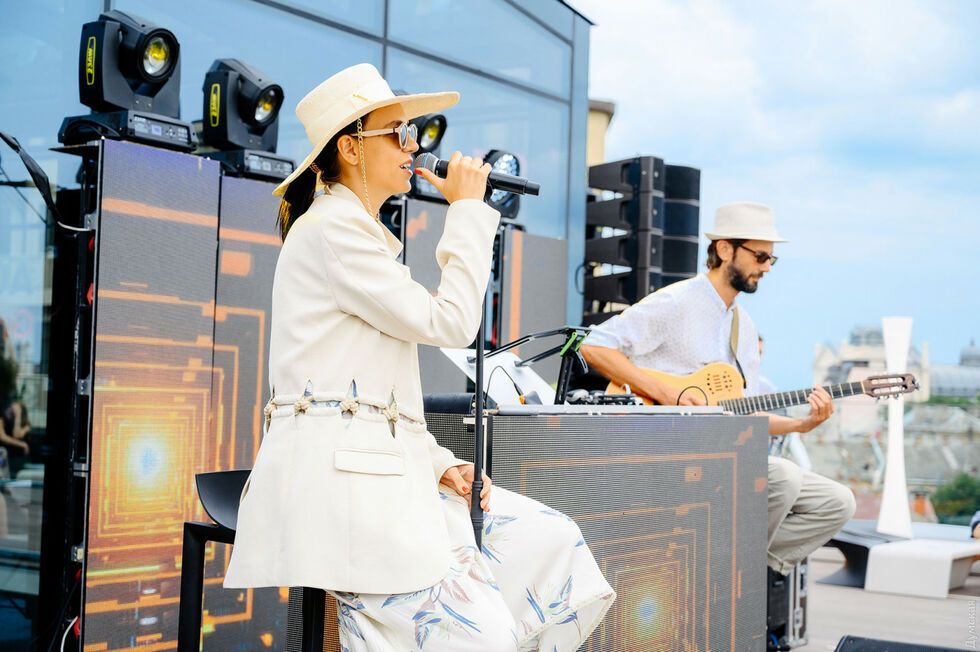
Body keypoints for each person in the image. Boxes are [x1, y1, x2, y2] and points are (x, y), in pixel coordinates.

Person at [223, 64, 613, 651]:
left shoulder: (357, 233)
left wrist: (437, 463)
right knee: (484, 636)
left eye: (413, 134)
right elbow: (450, 321)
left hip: (389, 480)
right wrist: (469, 211)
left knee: (552, 544)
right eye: (399, 133)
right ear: (351, 148)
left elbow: (375, 394)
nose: (413, 147)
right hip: (349, 493)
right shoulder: (332, 230)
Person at [580, 202, 855, 575]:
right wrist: (667, 393)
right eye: (760, 256)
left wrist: (800, 425)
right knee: (783, 477)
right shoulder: (676, 302)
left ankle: (737, 568)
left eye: (772, 259)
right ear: (725, 249)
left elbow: (744, 412)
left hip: (717, 454)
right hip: (660, 451)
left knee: (837, 502)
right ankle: (729, 573)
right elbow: (594, 346)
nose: (767, 268)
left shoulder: (744, 327)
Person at [0, 400, 30, 478]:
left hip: (18, 458)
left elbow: (16, 435)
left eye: (15, 409)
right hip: (6, 456)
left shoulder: (26, 425)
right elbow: (2, 437)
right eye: (10, 407)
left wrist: (18, 416)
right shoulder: (2, 420)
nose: (10, 410)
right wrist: (22, 444)